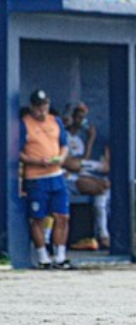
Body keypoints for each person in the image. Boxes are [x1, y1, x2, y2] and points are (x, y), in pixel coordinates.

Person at [19, 89, 73, 270]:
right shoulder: (24, 124)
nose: (42, 110)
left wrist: (62, 157)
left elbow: (64, 144)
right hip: (36, 176)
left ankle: (60, 256)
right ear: (32, 107)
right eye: (38, 107)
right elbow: (17, 153)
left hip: (56, 174)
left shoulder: (55, 121)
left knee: (62, 216)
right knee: (38, 218)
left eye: (45, 106)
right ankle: (43, 257)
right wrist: (36, 161)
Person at [63, 102, 111, 250]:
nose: (81, 121)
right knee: (100, 185)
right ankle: (101, 235)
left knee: (105, 186)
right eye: (78, 117)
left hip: (78, 172)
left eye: (83, 117)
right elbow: (69, 163)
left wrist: (90, 139)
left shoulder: (78, 138)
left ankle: (102, 234)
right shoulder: (61, 134)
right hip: (65, 175)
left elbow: (82, 160)